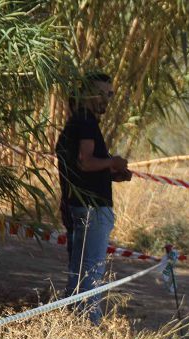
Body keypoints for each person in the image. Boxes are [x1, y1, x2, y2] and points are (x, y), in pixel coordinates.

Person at [55, 72, 130, 324]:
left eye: (109, 94)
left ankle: (73, 322)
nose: (106, 99)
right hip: (93, 209)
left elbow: (80, 169)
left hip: (77, 205)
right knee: (91, 271)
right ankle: (88, 323)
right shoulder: (86, 122)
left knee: (78, 271)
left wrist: (110, 173)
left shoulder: (76, 122)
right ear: (87, 93)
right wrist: (114, 161)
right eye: (101, 93)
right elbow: (85, 162)